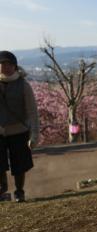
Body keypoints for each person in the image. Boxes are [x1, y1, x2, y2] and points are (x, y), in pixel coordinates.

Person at [0, 51, 39, 202]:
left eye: (9, 64)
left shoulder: (23, 85)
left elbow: (32, 111)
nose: (6, 67)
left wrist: (34, 134)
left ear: (15, 66)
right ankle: (2, 189)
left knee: (19, 163)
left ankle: (19, 191)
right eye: (2, 64)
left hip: (19, 130)